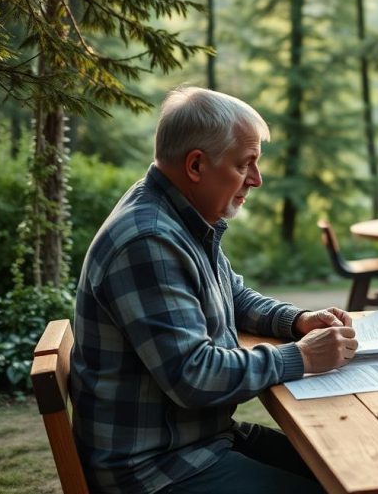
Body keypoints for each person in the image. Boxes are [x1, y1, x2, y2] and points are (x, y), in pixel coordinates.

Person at [70, 87, 358, 494]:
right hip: (157, 470)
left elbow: (234, 296)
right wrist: (301, 357)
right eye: (245, 165)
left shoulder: (177, 218)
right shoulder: (148, 240)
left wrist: (297, 320)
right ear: (196, 166)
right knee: (339, 483)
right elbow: (194, 375)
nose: (256, 180)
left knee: (348, 470)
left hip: (195, 442)